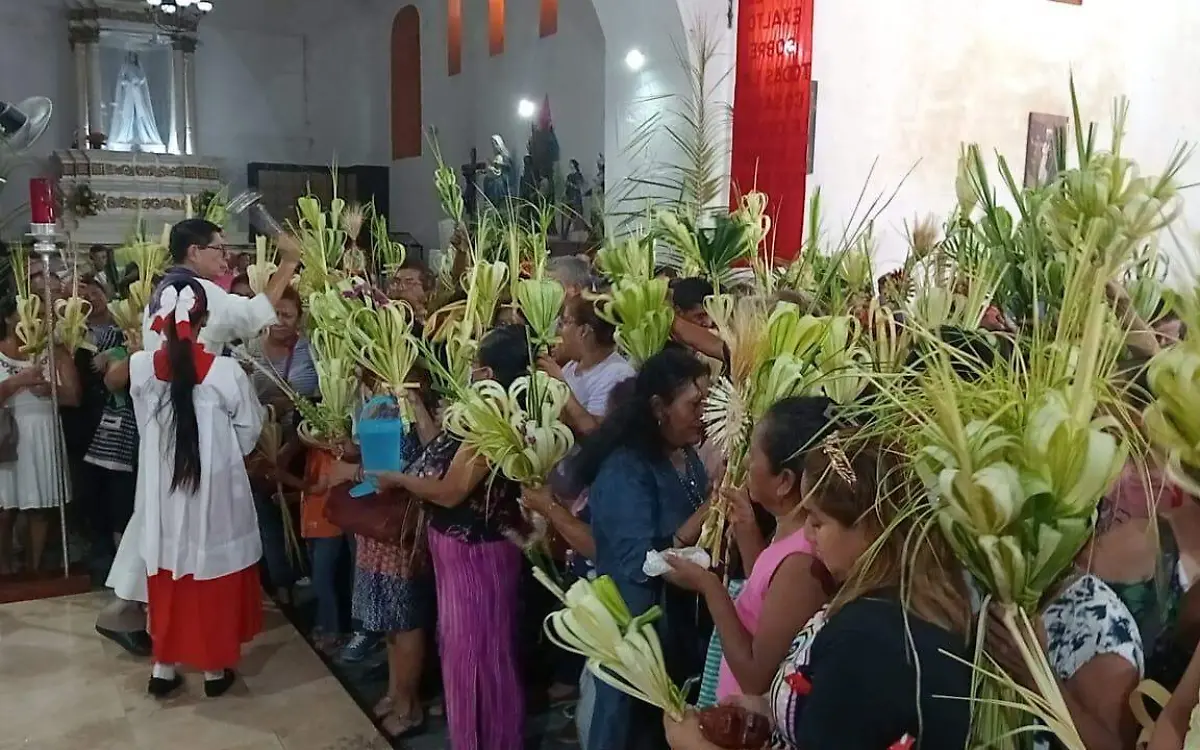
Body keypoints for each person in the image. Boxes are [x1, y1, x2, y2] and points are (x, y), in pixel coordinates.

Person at [668, 430, 974, 750]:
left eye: (817, 520)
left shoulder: (867, 638)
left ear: (868, 527)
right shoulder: (884, 607)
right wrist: (772, 709)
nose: (809, 535)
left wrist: (693, 745)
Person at [100, 218, 300, 650]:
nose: (224, 257)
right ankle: (185, 622)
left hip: (162, 416)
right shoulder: (200, 293)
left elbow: (137, 369)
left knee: (156, 514)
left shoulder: (166, 290)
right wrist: (289, 262)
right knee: (191, 522)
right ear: (193, 252)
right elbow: (251, 317)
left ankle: (134, 611)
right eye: (218, 248)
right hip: (200, 417)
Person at [374, 324, 535, 750]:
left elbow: (450, 491)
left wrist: (399, 480)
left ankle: (487, 738)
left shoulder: (496, 419)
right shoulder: (480, 412)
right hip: (459, 548)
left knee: (477, 653)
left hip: (477, 550)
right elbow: (439, 451)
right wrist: (414, 403)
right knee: (464, 648)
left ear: (484, 372)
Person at [570, 346, 712, 750]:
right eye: (695, 403)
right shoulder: (625, 467)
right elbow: (640, 561)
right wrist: (709, 510)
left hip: (679, 625)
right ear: (658, 407)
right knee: (627, 729)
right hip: (638, 629)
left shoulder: (685, 453)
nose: (704, 413)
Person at [131, 278, 265, 698]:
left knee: (169, 574)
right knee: (213, 575)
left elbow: (143, 429)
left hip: (164, 496)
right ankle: (212, 671)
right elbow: (249, 429)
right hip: (215, 495)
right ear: (204, 320)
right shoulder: (225, 372)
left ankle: (163, 668)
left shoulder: (141, 368)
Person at [663, 397, 834, 703]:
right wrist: (746, 528)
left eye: (753, 456)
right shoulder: (789, 529)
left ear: (783, 481)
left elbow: (756, 676)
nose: (744, 464)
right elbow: (765, 594)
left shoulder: (802, 563)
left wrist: (710, 587)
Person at [0, 294, 82, 574]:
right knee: (5, 505)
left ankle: (33, 568)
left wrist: (51, 389)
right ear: (11, 317)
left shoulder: (54, 352)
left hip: (44, 429)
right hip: (9, 431)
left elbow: (74, 397)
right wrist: (16, 382)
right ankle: (5, 565)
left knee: (39, 504)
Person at [539, 295, 635, 435]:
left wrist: (560, 384)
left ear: (584, 331)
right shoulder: (571, 366)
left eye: (565, 322)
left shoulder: (618, 373)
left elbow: (594, 434)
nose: (560, 331)